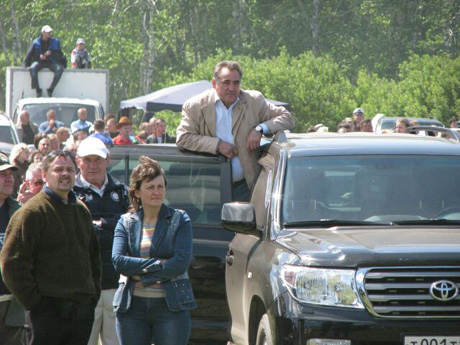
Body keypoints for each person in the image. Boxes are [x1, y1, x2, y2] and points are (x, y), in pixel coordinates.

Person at [0, 150, 102, 345]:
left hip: (81, 313)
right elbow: (12, 264)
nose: (65, 174)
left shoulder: (81, 211)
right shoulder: (32, 212)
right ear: (45, 175)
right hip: (46, 315)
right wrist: (36, 305)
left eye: (70, 170)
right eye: (58, 169)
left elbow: (93, 260)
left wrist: (91, 298)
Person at [176, 60, 295, 201]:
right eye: (226, 83)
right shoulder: (195, 106)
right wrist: (217, 145)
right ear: (214, 83)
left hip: (246, 186)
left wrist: (260, 128)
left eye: (236, 83)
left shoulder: (253, 101)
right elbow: (183, 138)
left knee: (247, 223)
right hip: (209, 188)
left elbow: (287, 117)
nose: (232, 88)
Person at [112, 156, 196, 345]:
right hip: (131, 308)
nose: (157, 192)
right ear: (138, 192)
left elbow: (180, 263)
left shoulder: (179, 219)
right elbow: (118, 261)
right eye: (150, 187)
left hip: (170, 307)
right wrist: (159, 264)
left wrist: (143, 276)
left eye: (160, 187)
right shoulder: (125, 222)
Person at [73, 138, 129, 345]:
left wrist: (102, 223)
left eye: (98, 159)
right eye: (87, 159)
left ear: (108, 160)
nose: (93, 165)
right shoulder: (70, 192)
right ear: (78, 161)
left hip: (116, 283)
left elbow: (131, 226)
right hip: (84, 287)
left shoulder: (123, 191)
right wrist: (113, 225)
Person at [0, 152, 28, 345]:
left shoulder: (18, 212)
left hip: (12, 303)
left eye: (10, 173)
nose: (9, 178)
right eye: (2, 174)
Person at [24, 25, 66, 97]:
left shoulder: (55, 41)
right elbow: (30, 54)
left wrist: (51, 54)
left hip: (51, 62)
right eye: (48, 32)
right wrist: (38, 57)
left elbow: (59, 54)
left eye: (50, 32)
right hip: (39, 62)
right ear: (43, 33)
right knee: (33, 68)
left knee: (59, 69)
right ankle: (38, 90)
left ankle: (51, 89)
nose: (50, 33)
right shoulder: (36, 42)